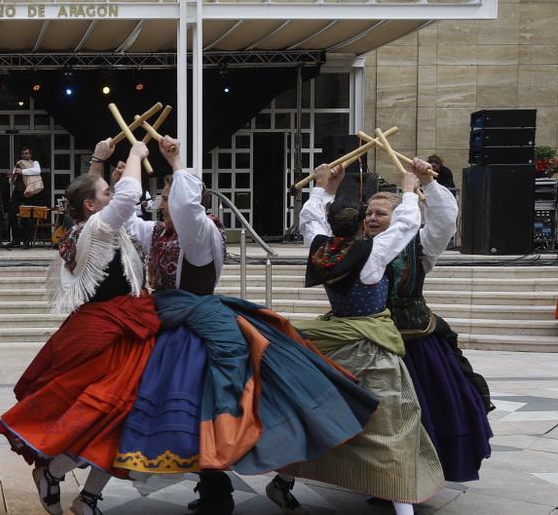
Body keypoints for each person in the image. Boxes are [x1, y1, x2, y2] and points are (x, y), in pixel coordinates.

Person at [114, 137, 378, 515]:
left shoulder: (200, 231)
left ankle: (219, 486)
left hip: (196, 326)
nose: (161, 200)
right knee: (185, 408)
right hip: (168, 322)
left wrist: (177, 162)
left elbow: (188, 207)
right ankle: (212, 486)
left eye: (167, 192)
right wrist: (129, 171)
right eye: (161, 195)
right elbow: (125, 218)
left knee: (206, 401)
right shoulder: (158, 232)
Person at [0, 139, 162, 515]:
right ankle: (55, 471)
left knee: (125, 420)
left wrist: (100, 162)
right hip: (110, 333)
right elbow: (128, 198)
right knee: (105, 416)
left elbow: (103, 195)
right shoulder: (95, 230)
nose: (113, 193)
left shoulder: (90, 225)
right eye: (106, 193)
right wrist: (134, 156)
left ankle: (87, 497)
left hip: (128, 328)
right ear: (91, 205)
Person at [282, 163, 444, 515]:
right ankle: (403, 506)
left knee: (316, 412)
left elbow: (310, 222)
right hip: (369, 347)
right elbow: (404, 226)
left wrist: (323, 187)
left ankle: (284, 478)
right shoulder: (371, 253)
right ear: (359, 227)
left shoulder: (321, 249)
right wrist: (409, 190)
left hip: (333, 342)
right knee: (391, 428)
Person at [369, 158, 492, 482]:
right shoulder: (361, 249)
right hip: (367, 336)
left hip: (414, 337)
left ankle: (417, 473)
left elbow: (444, 221)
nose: (372, 218)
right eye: (368, 213)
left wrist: (429, 183)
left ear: (399, 219)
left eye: (380, 213)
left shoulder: (419, 247)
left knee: (425, 407)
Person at [8, 147, 44, 246]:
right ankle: (16, 239)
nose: (25, 155)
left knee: (27, 217)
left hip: (29, 193)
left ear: (30, 155)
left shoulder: (35, 163)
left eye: (27, 153)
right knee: (12, 215)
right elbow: (12, 182)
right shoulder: (18, 164)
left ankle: (27, 240)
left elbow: (37, 171)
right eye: (23, 153)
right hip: (18, 193)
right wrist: (12, 177)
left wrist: (22, 172)